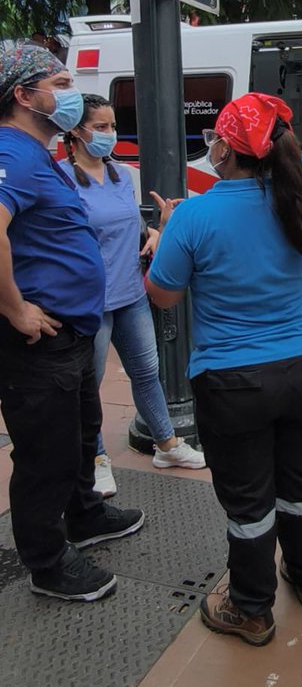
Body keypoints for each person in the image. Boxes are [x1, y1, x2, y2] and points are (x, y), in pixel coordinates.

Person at [146, 92, 302, 647]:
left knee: (249, 498)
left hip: (232, 380)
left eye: (213, 140)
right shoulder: (296, 202)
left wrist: (162, 237)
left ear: (225, 148)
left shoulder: (195, 214)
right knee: (301, 478)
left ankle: (250, 609)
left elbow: (161, 295)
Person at [0, 43, 144, 603]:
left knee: (81, 430)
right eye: (58, 83)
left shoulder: (37, 152)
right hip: (39, 339)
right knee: (46, 452)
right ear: (23, 94)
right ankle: (47, 560)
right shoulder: (11, 151)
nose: (69, 93)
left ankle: (84, 513)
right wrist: (15, 308)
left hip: (72, 333)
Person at [61, 95, 206, 496]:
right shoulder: (60, 179)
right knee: (88, 386)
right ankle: (95, 458)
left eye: (112, 126)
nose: (110, 135)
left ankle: (167, 445)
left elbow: (129, 227)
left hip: (129, 293)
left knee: (147, 372)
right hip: (89, 301)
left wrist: (156, 231)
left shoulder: (122, 175)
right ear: (76, 130)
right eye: (102, 127)